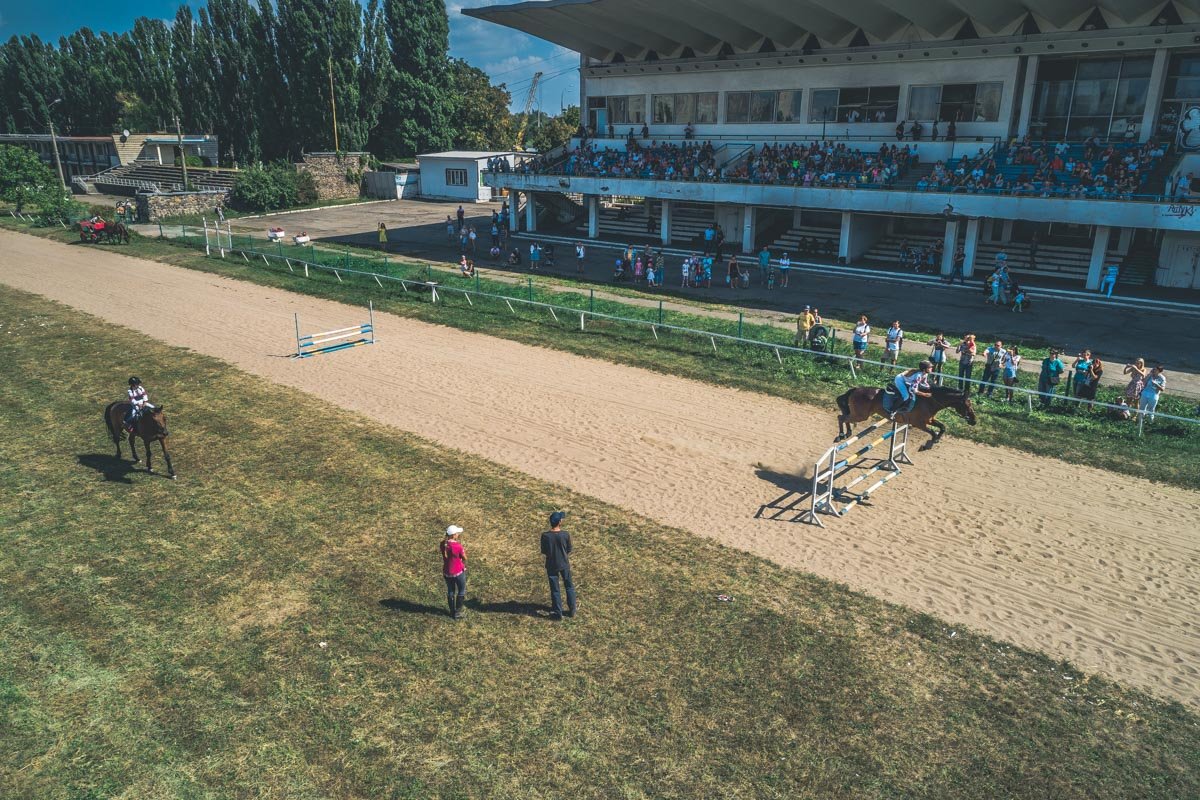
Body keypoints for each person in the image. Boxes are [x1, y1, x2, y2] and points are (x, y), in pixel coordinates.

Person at [540, 511, 576, 620]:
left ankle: (558, 612)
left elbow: (544, 550)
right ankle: (572, 610)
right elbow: (569, 549)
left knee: (555, 589)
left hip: (551, 564)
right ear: (560, 522)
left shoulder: (545, 536)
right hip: (564, 564)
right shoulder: (565, 535)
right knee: (569, 586)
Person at [440, 525, 467, 619]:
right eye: (457, 533)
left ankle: (452, 611)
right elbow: (465, 558)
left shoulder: (443, 544)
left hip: (447, 572)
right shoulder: (458, 546)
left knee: (451, 591)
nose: (458, 534)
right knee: (461, 590)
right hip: (458, 572)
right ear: (454, 535)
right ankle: (458, 612)